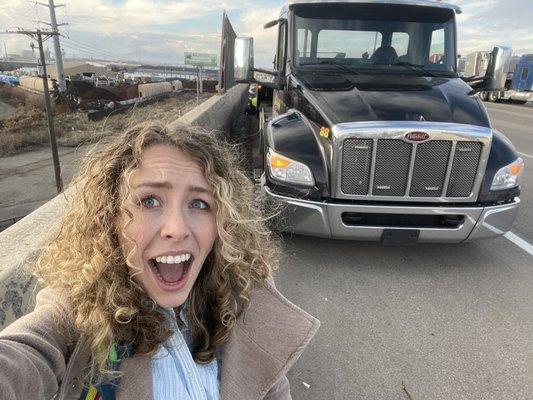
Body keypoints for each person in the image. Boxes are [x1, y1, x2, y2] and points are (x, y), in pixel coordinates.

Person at [0, 122, 320, 400]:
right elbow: (28, 352)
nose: (177, 229)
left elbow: (274, 389)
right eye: (149, 201)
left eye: (199, 203)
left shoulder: (246, 293)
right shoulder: (79, 307)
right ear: (110, 219)